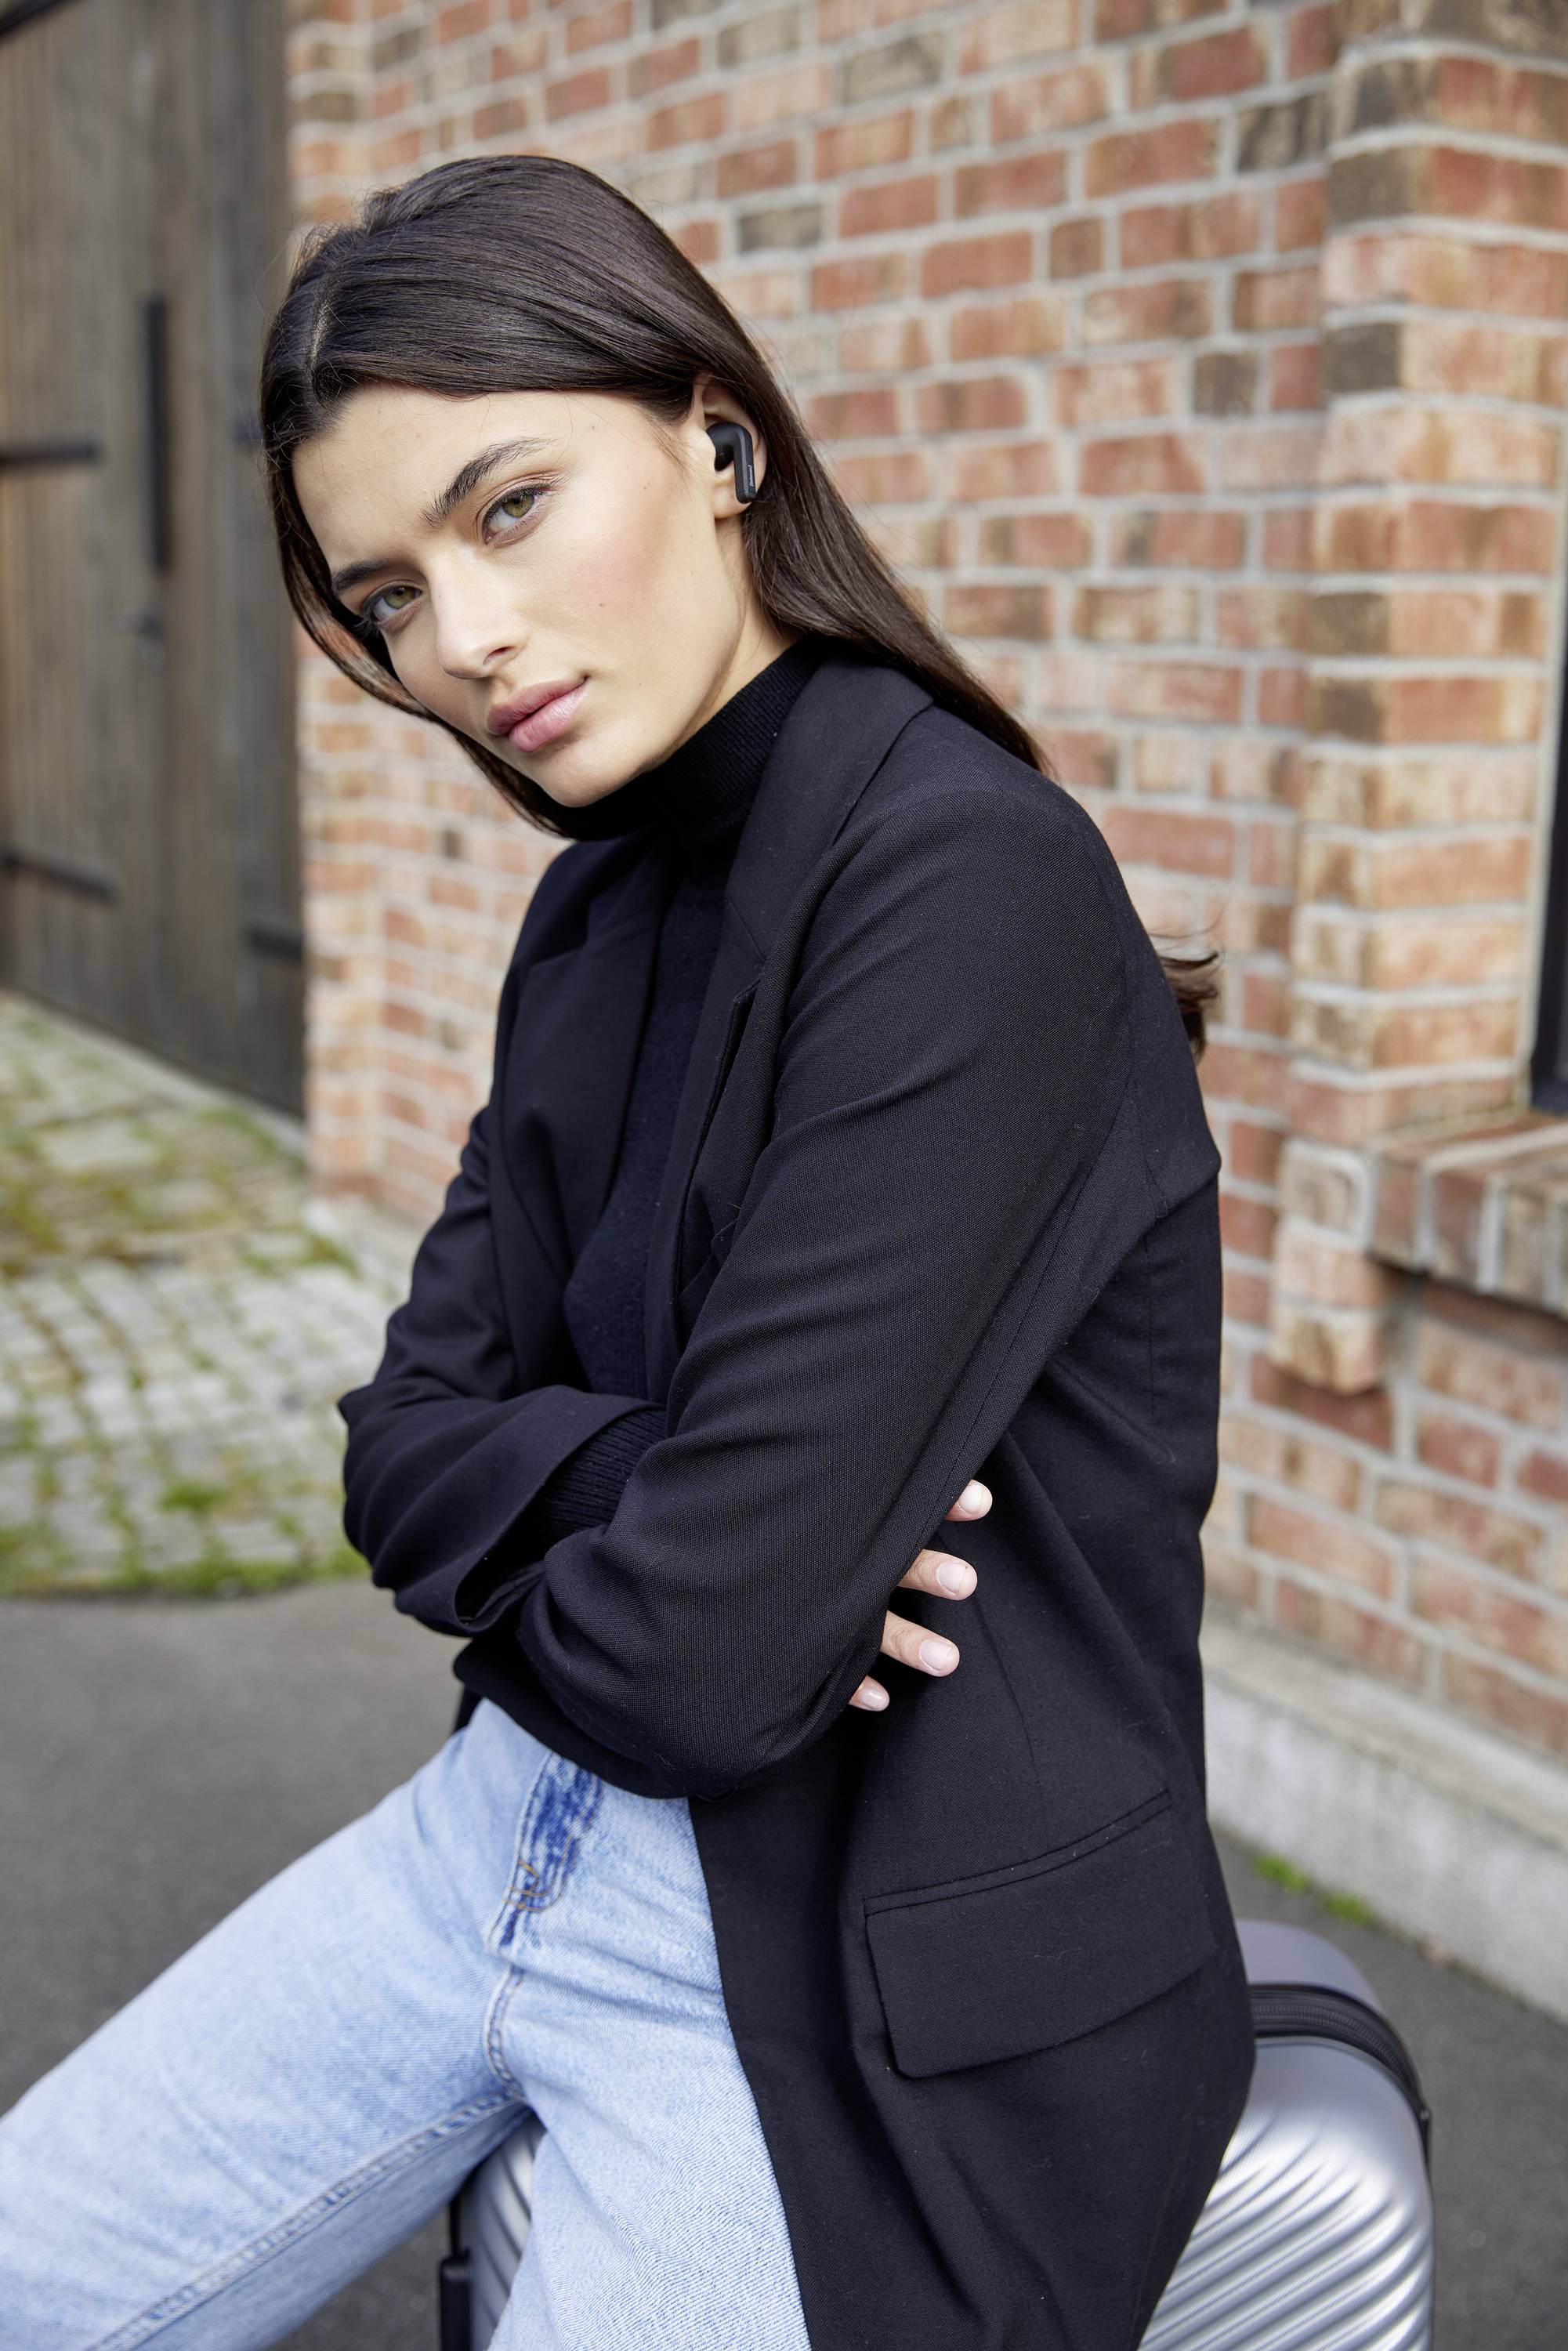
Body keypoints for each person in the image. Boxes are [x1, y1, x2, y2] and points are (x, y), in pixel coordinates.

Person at [0, 154, 1254, 2349]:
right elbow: (395, 1449)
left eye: (506, 508)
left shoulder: (963, 886)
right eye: (384, 593)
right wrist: (643, 1486)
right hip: (509, 1827)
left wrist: (626, 1517)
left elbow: (700, 1662)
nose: (458, 643)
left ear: (713, 434)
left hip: (858, 1971)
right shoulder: (592, 909)